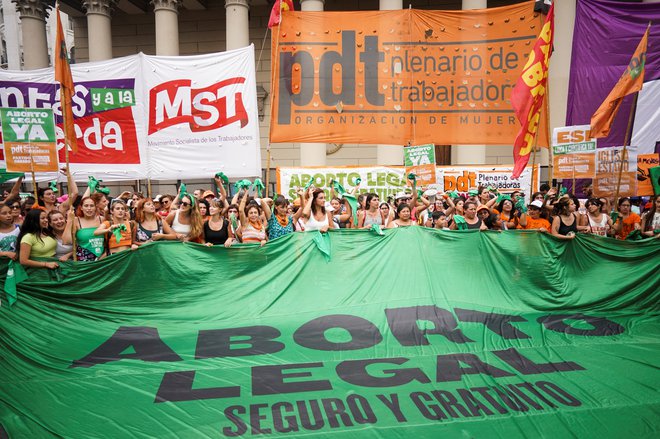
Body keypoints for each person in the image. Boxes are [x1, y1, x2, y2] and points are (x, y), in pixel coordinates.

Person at [73, 196, 106, 261]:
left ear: (95, 207)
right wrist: (69, 221)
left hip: (102, 259)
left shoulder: (102, 219)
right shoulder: (76, 221)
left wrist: (105, 254)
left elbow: (107, 240)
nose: (89, 208)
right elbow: (67, 241)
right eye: (86, 206)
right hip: (84, 261)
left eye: (92, 206)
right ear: (81, 208)